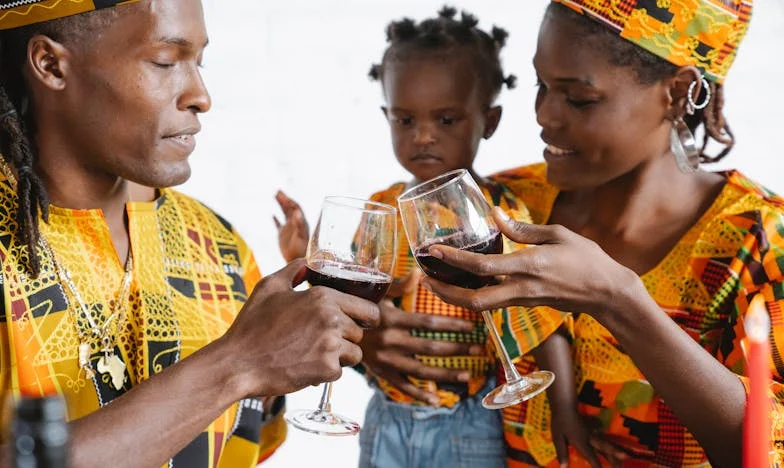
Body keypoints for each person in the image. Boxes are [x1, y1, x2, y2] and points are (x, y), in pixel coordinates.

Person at [0, 1, 380, 467]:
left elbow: (246, 442)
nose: (201, 95)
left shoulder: (219, 250)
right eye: (165, 62)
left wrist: (350, 350)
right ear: (51, 65)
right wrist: (237, 364)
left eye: (198, 61)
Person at [416, 0, 784, 466]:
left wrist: (619, 299)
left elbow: (769, 451)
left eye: (578, 98)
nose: (544, 115)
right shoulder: (504, 203)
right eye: (541, 85)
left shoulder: (758, 242)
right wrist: (369, 350)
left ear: (678, 92)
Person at [275, 7, 580, 468]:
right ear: (386, 117)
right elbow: (348, 300)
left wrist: (565, 409)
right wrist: (303, 255)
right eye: (404, 121)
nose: (422, 137)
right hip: (386, 417)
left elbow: (541, 319)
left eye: (447, 120)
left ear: (489, 121)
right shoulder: (381, 209)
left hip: (469, 419)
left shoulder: (497, 214)